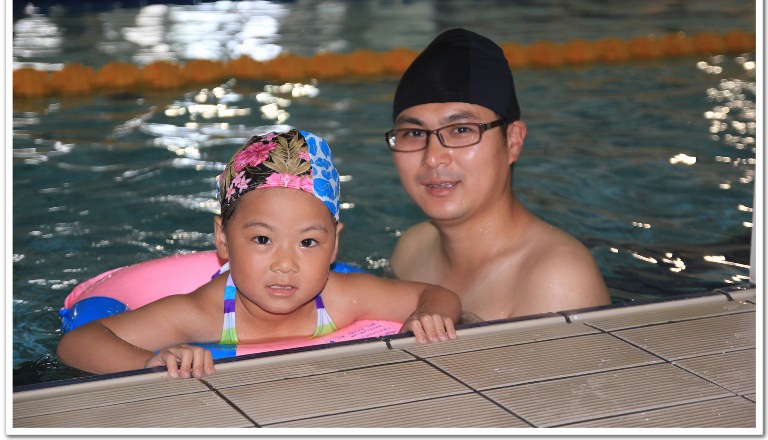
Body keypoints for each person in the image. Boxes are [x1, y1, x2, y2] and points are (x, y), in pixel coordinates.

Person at [57, 129, 460, 379]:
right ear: (223, 238)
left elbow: (435, 294)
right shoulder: (202, 312)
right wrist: (149, 362)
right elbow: (79, 343)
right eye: (263, 240)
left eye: (308, 242)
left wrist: (427, 314)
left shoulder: (343, 297)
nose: (285, 264)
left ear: (334, 245)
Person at [386, 28, 611, 324]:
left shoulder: (558, 280)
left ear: (513, 141)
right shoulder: (412, 250)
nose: (432, 157)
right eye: (414, 133)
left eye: (461, 130)